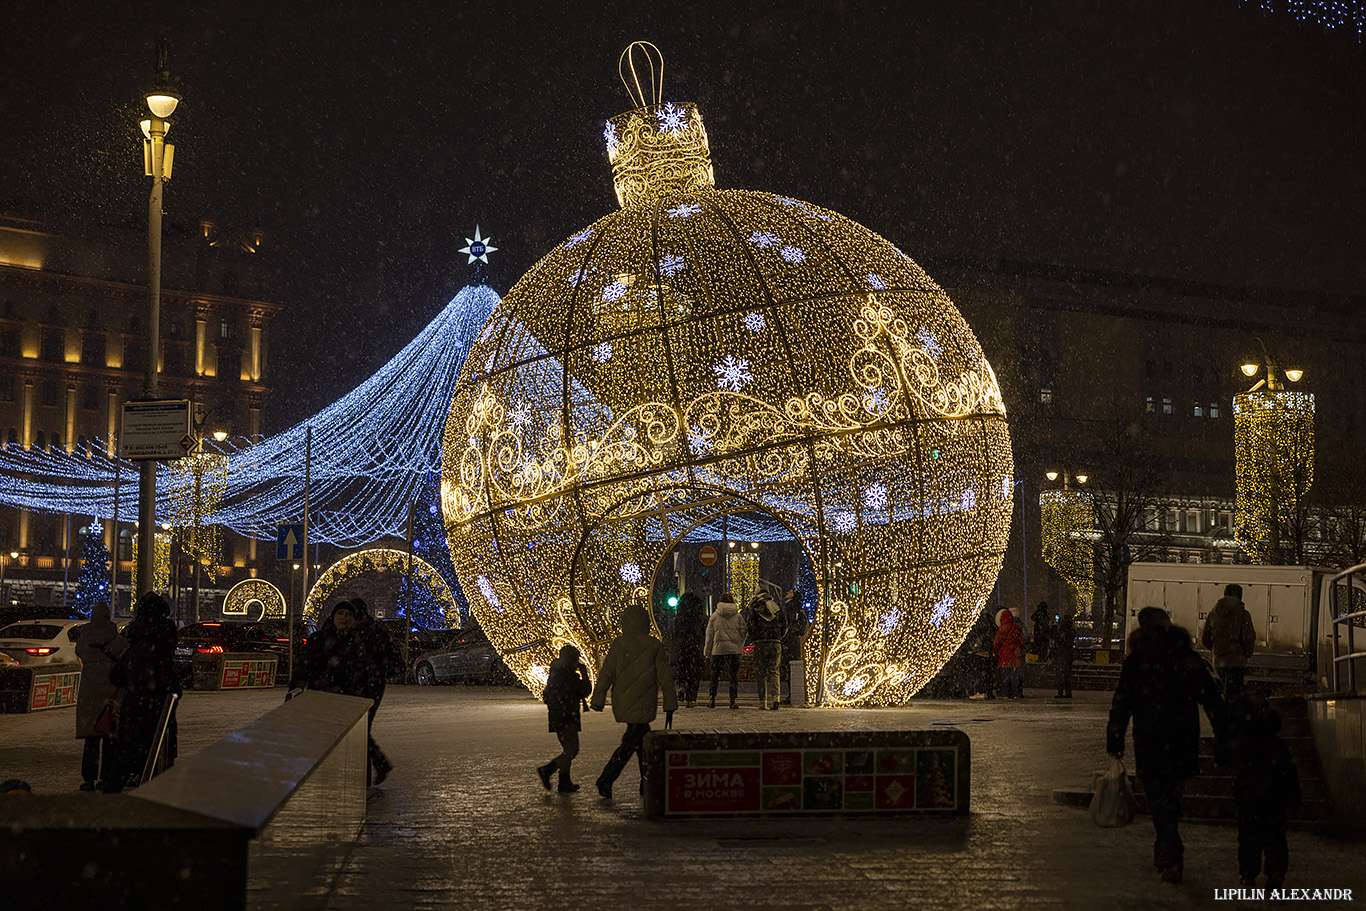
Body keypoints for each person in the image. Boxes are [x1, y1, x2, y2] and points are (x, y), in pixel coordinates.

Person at [1107, 606, 1226, 884]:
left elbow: (1121, 703)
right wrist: (1224, 731)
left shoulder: (1137, 661)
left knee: (1157, 799)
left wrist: (1115, 739)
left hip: (1150, 739)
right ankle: (1170, 849)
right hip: (1182, 738)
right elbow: (1211, 700)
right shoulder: (1187, 658)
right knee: (1172, 796)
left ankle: (1169, 850)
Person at [590, 604, 676, 800]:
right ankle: (618, 780)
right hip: (645, 700)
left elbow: (606, 673)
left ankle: (639, 782)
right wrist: (670, 703)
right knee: (636, 743)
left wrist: (599, 698)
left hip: (624, 699)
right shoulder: (654, 645)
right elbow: (665, 677)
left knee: (638, 742)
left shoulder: (619, 645)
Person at [104, 592, 180, 793]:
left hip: (134, 708)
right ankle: (158, 792)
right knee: (159, 752)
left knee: (125, 753)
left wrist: (133, 685)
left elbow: (116, 676)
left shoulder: (134, 648)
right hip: (159, 709)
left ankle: (111, 793)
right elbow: (169, 680)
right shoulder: (161, 649)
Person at [1226, 691, 1300, 889]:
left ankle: (1248, 873)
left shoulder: (1244, 745)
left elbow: (1229, 761)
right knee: (1274, 836)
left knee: (1249, 838)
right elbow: (1290, 774)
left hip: (1249, 799)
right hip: (1274, 799)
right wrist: (1293, 799)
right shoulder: (1277, 746)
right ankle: (1275, 870)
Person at [74, 602, 128, 791]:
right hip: (111, 692)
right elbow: (125, 658)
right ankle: (105, 777)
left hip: (89, 692)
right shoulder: (118, 639)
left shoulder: (84, 638)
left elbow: (79, 652)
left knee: (91, 739)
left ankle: (88, 779)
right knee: (109, 736)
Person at [349, 598, 400, 787]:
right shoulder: (359, 632)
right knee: (360, 729)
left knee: (361, 729)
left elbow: (389, 658)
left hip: (370, 686)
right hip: (360, 685)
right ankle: (377, 765)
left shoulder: (371, 633)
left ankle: (372, 771)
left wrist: (374, 672)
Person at [537, 644, 593, 793]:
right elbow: (585, 690)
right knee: (572, 750)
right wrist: (585, 674)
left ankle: (564, 781)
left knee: (568, 748)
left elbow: (547, 695)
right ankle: (548, 770)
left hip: (558, 716)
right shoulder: (568, 676)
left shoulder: (556, 674)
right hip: (567, 717)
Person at [1201, 583, 1256, 705]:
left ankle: (1225, 713)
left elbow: (1205, 639)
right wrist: (1247, 652)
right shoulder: (1243, 614)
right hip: (1237, 662)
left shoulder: (1214, 614)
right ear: (1239, 596)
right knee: (1234, 694)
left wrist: (1217, 649)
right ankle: (1231, 718)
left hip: (1219, 661)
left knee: (1226, 690)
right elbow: (1248, 637)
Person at [704, 594, 746, 709]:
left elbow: (709, 636)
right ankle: (732, 701)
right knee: (733, 676)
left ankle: (712, 699)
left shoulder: (715, 616)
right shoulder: (738, 616)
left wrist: (707, 652)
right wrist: (739, 644)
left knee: (715, 675)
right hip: (734, 650)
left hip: (718, 650)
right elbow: (744, 632)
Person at [746, 591, 787, 710]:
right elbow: (784, 624)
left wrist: (755, 637)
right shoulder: (776, 607)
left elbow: (750, 625)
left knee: (761, 673)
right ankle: (776, 697)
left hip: (760, 643)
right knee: (774, 671)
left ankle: (762, 701)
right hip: (775, 642)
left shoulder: (754, 608)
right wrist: (778, 636)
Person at [671, 592, 707, 708]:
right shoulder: (699, 617)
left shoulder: (679, 617)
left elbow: (675, 632)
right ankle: (691, 698)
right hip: (695, 645)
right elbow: (704, 632)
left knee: (682, 667)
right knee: (694, 672)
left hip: (682, 645)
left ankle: (681, 685)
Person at [779, 588, 810, 704]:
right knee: (791, 668)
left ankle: (792, 695)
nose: (787, 592)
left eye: (790, 592)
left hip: (790, 641)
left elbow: (789, 623)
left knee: (789, 668)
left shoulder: (791, 608)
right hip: (793, 641)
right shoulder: (797, 608)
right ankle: (793, 694)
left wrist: (787, 634)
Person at [992, 609, 1024, 698]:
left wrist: (994, 651)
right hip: (1015, 654)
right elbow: (1021, 641)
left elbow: (997, 642)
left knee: (1004, 675)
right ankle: (1016, 693)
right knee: (1014, 676)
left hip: (1004, 655)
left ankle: (1005, 693)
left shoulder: (1001, 628)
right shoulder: (1017, 627)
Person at [1052, 611, 1076, 698]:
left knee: (1061, 674)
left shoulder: (1061, 631)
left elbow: (1056, 638)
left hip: (1061, 655)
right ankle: (1067, 692)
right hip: (1067, 655)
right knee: (1067, 675)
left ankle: (1061, 692)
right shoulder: (1071, 631)